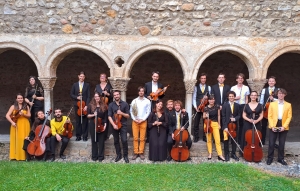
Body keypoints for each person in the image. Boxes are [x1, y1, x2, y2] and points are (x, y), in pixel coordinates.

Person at [267, 89, 292, 166]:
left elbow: (289, 117)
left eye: (283, 94)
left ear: (285, 95)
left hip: (283, 124)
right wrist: (272, 126)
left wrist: (284, 126)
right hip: (274, 123)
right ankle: (270, 158)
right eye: (280, 93)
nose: (281, 95)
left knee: (282, 143)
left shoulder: (288, 105)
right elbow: (269, 116)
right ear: (277, 95)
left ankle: (280, 159)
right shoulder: (272, 104)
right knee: (271, 143)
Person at [5, 93, 31, 161]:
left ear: (23, 99)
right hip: (16, 124)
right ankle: (15, 156)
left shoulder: (26, 106)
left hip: (25, 124)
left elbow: (29, 116)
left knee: (24, 139)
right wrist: (12, 122)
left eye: (21, 98)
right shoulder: (13, 106)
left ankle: (25, 156)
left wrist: (23, 114)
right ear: (16, 99)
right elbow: (7, 115)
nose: (20, 99)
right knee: (17, 139)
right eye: (19, 98)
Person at [144, 71, 168, 142]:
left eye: (157, 77)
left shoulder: (160, 85)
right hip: (149, 103)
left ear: (158, 77)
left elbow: (162, 96)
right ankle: (149, 138)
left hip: (157, 103)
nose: (155, 78)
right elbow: (144, 94)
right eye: (154, 76)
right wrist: (148, 97)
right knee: (149, 119)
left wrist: (164, 91)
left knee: (157, 118)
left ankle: (157, 136)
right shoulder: (147, 84)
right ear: (152, 76)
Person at [108, 90, 130, 163]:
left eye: (117, 94)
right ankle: (118, 155)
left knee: (124, 140)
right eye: (115, 95)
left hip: (123, 125)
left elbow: (127, 116)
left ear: (120, 95)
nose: (116, 96)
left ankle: (125, 156)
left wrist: (121, 113)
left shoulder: (125, 104)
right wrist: (114, 125)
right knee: (116, 141)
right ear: (113, 96)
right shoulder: (111, 105)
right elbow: (109, 116)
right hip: (114, 125)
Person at [130, 86, 151, 160]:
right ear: (138, 92)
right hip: (135, 121)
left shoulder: (147, 101)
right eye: (140, 91)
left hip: (143, 121)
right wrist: (134, 119)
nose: (141, 92)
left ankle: (141, 152)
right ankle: (136, 152)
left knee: (142, 138)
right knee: (135, 138)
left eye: (142, 91)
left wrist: (143, 119)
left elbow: (148, 111)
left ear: (144, 92)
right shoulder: (134, 101)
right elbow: (131, 111)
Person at [203, 95, 225, 161]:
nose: (211, 101)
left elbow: (218, 115)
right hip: (207, 124)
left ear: (214, 100)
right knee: (209, 140)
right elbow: (203, 117)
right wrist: (205, 116)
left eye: (212, 99)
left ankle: (220, 154)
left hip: (215, 124)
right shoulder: (205, 108)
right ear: (208, 100)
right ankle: (210, 153)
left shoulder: (217, 107)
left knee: (217, 140)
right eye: (210, 99)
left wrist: (219, 124)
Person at [241, 91, 263, 156]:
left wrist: (257, 121)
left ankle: (256, 153)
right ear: (250, 96)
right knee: (247, 138)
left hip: (257, 123)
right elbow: (244, 115)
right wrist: (249, 120)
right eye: (252, 95)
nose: (253, 96)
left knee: (256, 138)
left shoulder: (260, 105)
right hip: (248, 123)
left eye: (255, 95)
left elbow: (261, 115)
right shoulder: (246, 105)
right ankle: (246, 153)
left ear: (256, 96)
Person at [87, 92, 108, 162]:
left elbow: (105, 117)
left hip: (101, 123)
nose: (97, 98)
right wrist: (93, 115)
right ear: (94, 97)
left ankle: (101, 156)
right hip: (93, 124)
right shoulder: (90, 105)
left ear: (100, 97)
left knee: (101, 140)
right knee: (94, 140)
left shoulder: (104, 106)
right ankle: (94, 156)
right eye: (95, 96)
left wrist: (105, 125)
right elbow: (88, 116)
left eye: (98, 96)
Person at [70, 71, 90, 141]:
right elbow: (71, 94)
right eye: (81, 76)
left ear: (85, 77)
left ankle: (85, 136)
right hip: (77, 105)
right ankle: (78, 136)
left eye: (83, 76)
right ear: (78, 76)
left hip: (84, 105)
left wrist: (87, 106)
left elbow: (88, 96)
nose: (82, 78)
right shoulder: (75, 85)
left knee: (85, 121)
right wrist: (77, 97)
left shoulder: (87, 85)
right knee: (78, 121)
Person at [230, 73, 250, 144]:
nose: (240, 79)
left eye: (241, 78)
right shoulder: (233, 88)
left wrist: (246, 106)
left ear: (243, 80)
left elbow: (247, 98)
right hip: (235, 106)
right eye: (239, 78)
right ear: (236, 79)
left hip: (243, 105)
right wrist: (235, 98)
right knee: (234, 123)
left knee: (242, 123)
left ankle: (240, 139)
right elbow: (230, 98)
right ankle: (234, 138)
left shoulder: (246, 88)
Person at [211, 73, 231, 142]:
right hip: (216, 106)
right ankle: (216, 137)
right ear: (217, 79)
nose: (221, 79)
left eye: (222, 77)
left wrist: (224, 104)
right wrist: (217, 105)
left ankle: (223, 137)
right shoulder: (213, 87)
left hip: (225, 106)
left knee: (224, 120)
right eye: (220, 77)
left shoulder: (228, 87)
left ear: (224, 79)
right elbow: (212, 97)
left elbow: (228, 97)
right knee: (216, 121)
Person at [259, 76, 279, 146]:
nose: (271, 82)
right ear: (268, 82)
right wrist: (261, 107)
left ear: (275, 82)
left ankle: (273, 142)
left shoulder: (278, 90)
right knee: (263, 126)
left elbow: (280, 100)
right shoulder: (264, 90)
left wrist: (273, 99)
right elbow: (261, 100)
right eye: (270, 81)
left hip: (274, 111)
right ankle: (262, 141)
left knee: (274, 126)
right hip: (266, 111)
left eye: (272, 81)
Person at [222, 91, 240, 161]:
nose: (231, 97)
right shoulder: (225, 105)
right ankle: (226, 154)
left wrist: (235, 118)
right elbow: (223, 116)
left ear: (234, 97)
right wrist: (225, 126)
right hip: (226, 126)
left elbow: (239, 115)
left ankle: (233, 154)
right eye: (230, 96)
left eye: (232, 96)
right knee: (226, 141)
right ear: (228, 97)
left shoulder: (237, 105)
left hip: (234, 126)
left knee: (234, 140)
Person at [192, 73, 211, 143]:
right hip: (198, 107)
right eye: (202, 78)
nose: (203, 80)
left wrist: (207, 97)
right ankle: (196, 137)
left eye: (204, 78)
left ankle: (204, 137)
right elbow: (194, 98)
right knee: (196, 123)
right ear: (200, 79)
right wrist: (195, 106)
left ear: (206, 79)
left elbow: (211, 98)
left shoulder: (208, 87)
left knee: (205, 123)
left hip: (205, 108)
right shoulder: (196, 87)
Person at [94, 73, 113, 140]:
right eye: (101, 76)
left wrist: (107, 93)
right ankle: (98, 131)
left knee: (106, 120)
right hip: (99, 105)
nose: (102, 78)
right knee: (99, 118)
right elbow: (95, 94)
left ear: (106, 78)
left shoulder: (109, 86)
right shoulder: (97, 86)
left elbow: (112, 96)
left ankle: (105, 135)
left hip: (106, 105)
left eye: (103, 77)